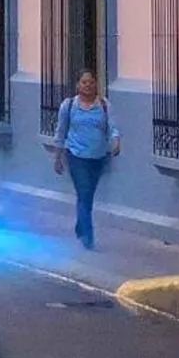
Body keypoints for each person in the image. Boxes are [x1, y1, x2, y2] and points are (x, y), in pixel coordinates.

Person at [52, 69, 120, 250]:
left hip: (98, 157)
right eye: (84, 82)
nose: (88, 85)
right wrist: (57, 157)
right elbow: (61, 131)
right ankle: (88, 235)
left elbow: (113, 127)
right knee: (85, 192)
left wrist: (115, 142)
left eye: (91, 82)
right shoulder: (69, 106)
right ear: (77, 85)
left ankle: (81, 225)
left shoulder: (104, 105)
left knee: (87, 195)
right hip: (76, 156)